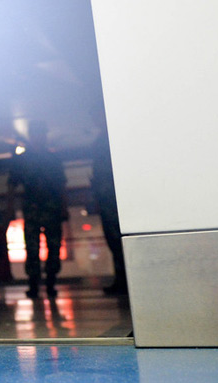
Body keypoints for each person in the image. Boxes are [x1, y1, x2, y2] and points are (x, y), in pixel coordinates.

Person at [7, 120, 67, 299]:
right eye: (36, 134)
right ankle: (34, 285)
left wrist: (64, 207)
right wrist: (9, 207)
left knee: (54, 247)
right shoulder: (22, 160)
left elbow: (62, 185)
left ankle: (50, 284)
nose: (39, 138)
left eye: (41, 134)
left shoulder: (53, 159)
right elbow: (11, 184)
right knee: (32, 248)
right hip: (32, 209)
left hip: (52, 209)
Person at [89, 102, 127, 295]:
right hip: (106, 200)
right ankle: (121, 279)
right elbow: (96, 176)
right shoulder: (99, 142)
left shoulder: (117, 137)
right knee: (113, 240)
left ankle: (126, 280)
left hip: (119, 200)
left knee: (121, 240)